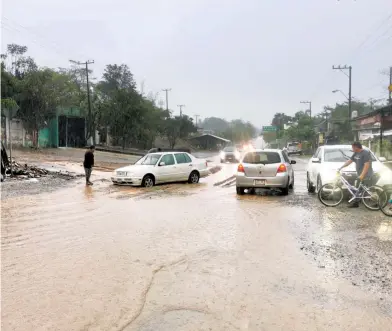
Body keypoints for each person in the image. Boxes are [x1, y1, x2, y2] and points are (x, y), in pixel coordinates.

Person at [338, 141, 375, 208]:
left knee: (367, 189)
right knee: (358, 189)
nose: (352, 148)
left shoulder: (365, 153)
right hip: (360, 174)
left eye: (353, 147)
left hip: (366, 175)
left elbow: (367, 165)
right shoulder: (356, 153)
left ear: (356, 147)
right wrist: (341, 167)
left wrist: (362, 175)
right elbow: (349, 161)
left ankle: (377, 202)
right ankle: (356, 203)